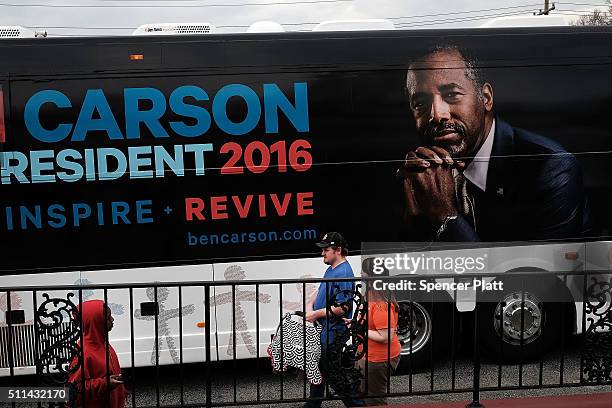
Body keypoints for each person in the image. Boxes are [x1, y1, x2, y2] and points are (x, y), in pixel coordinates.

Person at [398, 44, 592, 242]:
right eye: (420, 104)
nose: (437, 115)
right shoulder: (416, 177)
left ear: (486, 98)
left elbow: (533, 271)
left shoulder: (551, 168)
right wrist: (415, 225)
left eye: (452, 95)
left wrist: (445, 216)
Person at [304, 232, 362, 408]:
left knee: (331, 372)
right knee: (320, 368)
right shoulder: (332, 268)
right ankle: (314, 404)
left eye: (326, 250)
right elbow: (322, 290)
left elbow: (343, 308)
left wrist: (315, 314)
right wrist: (310, 303)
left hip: (334, 331)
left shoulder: (344, 272)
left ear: (337, 250)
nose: (322, 253)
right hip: (327, 329)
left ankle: (355, 404)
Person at [356, 258, 401, 406]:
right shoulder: (372, 295)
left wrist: (361, 329)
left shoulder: (381, 304)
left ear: (371, 276)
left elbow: (385, 336)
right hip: (369, 356)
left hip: (378, 359)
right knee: (367, 397)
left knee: (375, 401)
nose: (361, 273)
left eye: (364, 271)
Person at [68, 300, 127, 408]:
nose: (113, 320)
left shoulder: (102, 343)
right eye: (108, 318)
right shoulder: (84, 353)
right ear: (97, 322)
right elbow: (74, 390)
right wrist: (105, 383)